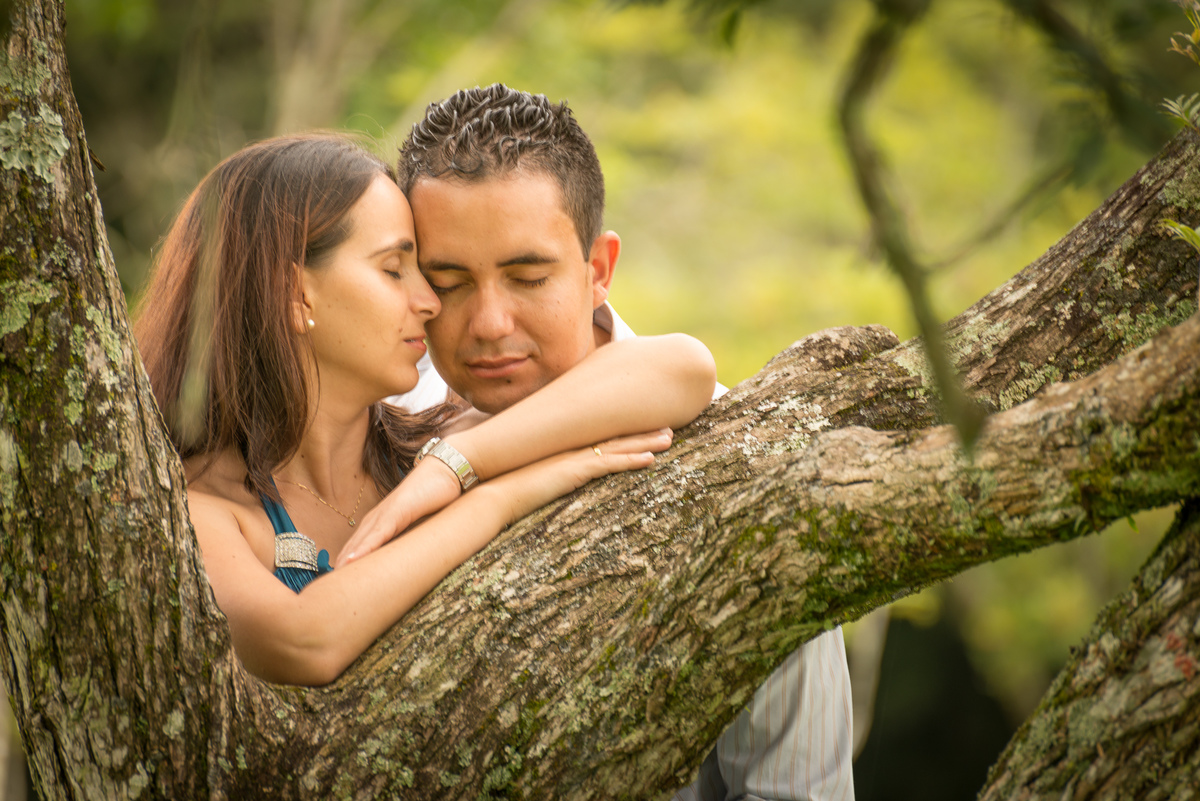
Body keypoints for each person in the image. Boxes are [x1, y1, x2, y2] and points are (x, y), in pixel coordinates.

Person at [342, 85, 855, 800]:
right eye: (449, 281)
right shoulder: (378, 434)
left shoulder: (742, 464)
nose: (488, 322)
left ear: (599, 271)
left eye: (527, 276)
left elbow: (793, 788)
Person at [133, 133, 717, 687]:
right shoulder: (200, 512)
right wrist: (496, 499)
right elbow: (302, 641)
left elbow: (683, 369)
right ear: (295, 293)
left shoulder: (441, 435)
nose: (431, 301)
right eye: (395, 270)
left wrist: (452, 464)